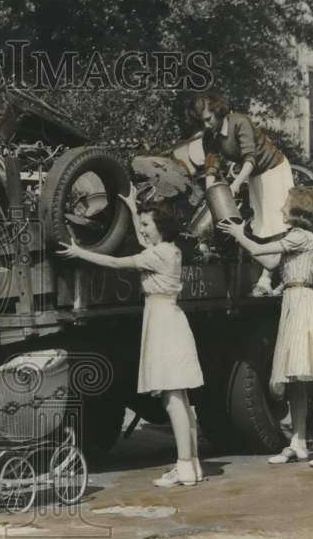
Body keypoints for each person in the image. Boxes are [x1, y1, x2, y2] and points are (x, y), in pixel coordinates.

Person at [57, 191, 206, 488]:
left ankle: (184, 467)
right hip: (171, 317)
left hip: (162, 323)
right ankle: (192, 464)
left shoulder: (156, 254)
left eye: (148, 224)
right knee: (181, 398)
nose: (144, 229)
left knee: (172, 397)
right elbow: (142, 239)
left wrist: (79, 252)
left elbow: (115, 263)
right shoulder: (170, 250)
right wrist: (132, 203)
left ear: (160, 226)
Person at [219, 187, 313, 467]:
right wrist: (246, 238)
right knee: (296, 382)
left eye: (286, 205)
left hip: (301, 303)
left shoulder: (302, 236)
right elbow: (271, 260)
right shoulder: (296, 238)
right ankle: (298, 443)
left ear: (298, 209)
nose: (281, 209)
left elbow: (258, 249)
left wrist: (240, 234)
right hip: (293, 303)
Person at [187, 92, 295, 296]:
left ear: (218, 111)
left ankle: (270, 279)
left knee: (278, 224)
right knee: (261, 227)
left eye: (209, 119)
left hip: (274, 169)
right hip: (255, 176)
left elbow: (250, 158)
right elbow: (211, 167)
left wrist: (235, 185)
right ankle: (272, 278)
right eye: (202, 123)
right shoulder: (210, 136)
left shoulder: (239, 122)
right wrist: (212, 195)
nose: (207, 126)